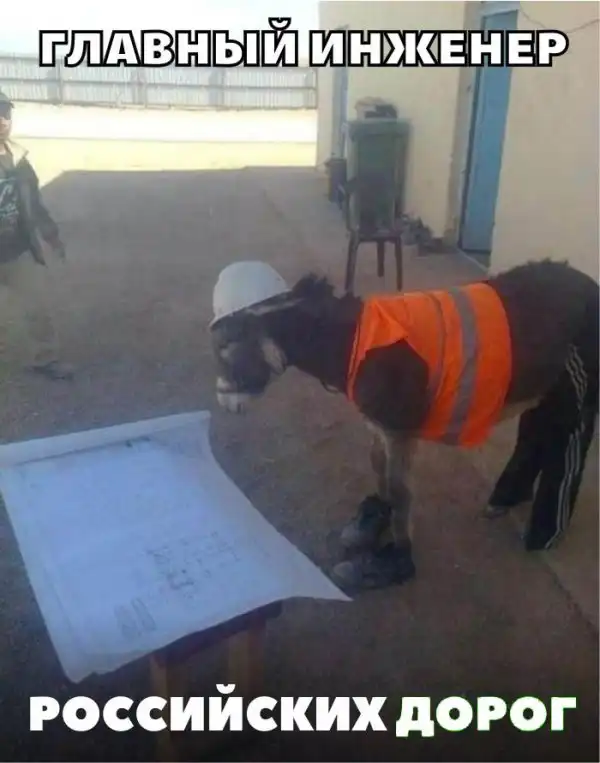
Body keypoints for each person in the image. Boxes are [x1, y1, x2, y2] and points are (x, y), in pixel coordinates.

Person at [0, 89, 73, 380]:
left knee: (37, 307)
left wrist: (51, 236)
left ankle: (45, 358)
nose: (2, 120)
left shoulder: (19, 160)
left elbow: (35, 204)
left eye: (6, 113)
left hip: (17, 249)